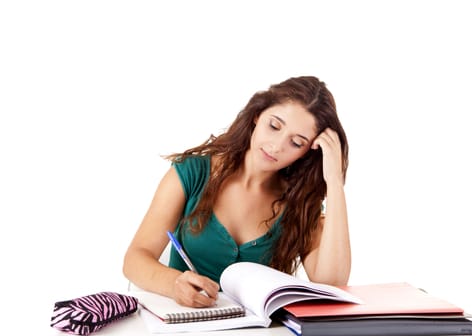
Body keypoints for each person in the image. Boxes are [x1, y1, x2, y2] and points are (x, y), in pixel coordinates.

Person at [123, 76, 350, 308]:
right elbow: (135, 260)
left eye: (297, 142)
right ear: (256, 116)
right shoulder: (193, 173)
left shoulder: (300, 201)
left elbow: (331, 284)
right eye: (274, 126)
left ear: (308, 152)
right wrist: (174, 284)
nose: (276, 146)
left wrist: (334, 182)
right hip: (187, 329)